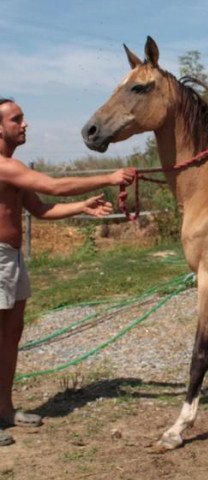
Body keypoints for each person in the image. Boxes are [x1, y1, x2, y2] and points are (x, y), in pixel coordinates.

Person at [0, 98, 135, 446]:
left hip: (11, 258)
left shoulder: (14, 167)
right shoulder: (3, 167)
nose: (25, 124)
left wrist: (84, 207)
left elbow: (41, 209)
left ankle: (4, 410)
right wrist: (108, 176)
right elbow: (53, 186)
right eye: (17, 119)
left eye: (23, 118)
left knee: (12, 336)